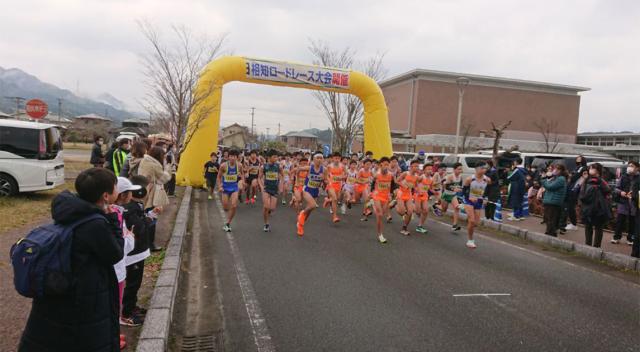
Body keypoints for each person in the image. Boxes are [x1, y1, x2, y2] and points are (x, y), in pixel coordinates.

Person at [18, 168, 123, 352]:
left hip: (60, 285)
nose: (118, 190)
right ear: (106, 196)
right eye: (116, 187)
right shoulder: (95, 224)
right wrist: (113, 218)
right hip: (82, 295)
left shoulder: (71, 209)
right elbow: (115, 254)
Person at [121, 175, 151, 328]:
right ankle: (126, 313)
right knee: (132, 283)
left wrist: (148, 217)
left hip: (138, 252)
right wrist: (147, 219)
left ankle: (131, 306)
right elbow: (138, 228)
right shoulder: (129, 209)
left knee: (136, 282)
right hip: (133, 254)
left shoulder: (135, 207)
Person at [113, 177, 139, 328]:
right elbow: (122, 245)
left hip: (117, 267)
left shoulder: (116, 211)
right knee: (115, 301)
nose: (132, 195)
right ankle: (114, 334)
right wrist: (130, 236)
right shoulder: (115, 214)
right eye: (130, 192)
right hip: (116, 268)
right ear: (123, 195)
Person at [139, 146, 171, 251]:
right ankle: (150, 244)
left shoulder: (144, 161)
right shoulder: (154, 165)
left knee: (145, 217)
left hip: (143, 191)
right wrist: (167, 168)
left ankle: (146, 243)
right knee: (152, 218)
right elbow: (163, 179)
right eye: (163, 156)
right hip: (152, 194)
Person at [579, 163, 611, 248]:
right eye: (590, 168)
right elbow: (581, 193)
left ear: (598, 170)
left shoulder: (601, 180)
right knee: (588, 227)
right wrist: (585, 179)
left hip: (599, 208)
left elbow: (607, 190)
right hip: (588, 207)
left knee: (598, 228)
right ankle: (588, 245)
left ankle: (596, 247)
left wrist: (598, 182)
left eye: (592, 168)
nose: (590, 170)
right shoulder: (586, 180)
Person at [461, 163, 490, 249]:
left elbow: (488, 190)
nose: (484, 170)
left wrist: (486, 198)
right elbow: (464, 191)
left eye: (485, 168)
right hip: (469, 201)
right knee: (472, 221)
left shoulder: (487, 179)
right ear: (476, 169)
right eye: (482, 168)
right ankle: (470, 240)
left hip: (479, 201)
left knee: (476, 223)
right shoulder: (469, 179)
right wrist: (469, 197)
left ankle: (469, 223)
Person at [297, 153, 325, 237]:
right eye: (318, 158)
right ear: (313, 159)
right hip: (307, 189)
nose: (319, 160)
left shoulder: (324, 169)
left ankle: (300, 226)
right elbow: (298, 169)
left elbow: (325, 180)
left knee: (309, 212)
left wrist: (324, 180)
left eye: (321, 158)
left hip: (315, 190)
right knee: (312, 205)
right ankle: (302, 213)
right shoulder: (309, 168)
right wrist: (297, 180)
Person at [612, 161, 639, 245]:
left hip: (634, 203)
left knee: (632, 222)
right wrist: (621, 192)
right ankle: (616, 237)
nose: (630, 167)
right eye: (629, 166)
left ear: (637, 168)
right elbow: (616, 188)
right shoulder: (623, 176)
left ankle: (630, 239)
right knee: (620, 221)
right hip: (623, 202)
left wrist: (635, 194)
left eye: (632, 166)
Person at [217, 149, 244, 232]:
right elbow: (219, 177)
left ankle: (228, 223)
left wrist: (242, 182)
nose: (232, 158)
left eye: (234, 156)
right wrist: (219, 186)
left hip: (234, 188)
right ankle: (228, 214)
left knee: (234, 205)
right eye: (231, 156)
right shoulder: (223, 166)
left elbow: (242, 174)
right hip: (225, 188)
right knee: (225, 207)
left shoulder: (239, 165)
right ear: (228, 157)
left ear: (237, 157)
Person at [371, 157, 394, 244]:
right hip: (377, 195)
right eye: (384, 165)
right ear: (381, 165)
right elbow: (372, 184)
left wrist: (391, 193)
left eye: (387, 165)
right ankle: (380, 234)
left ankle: (373, 206)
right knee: (380, 214)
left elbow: (392, 185)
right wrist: (371, 192)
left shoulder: (391, 175)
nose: (386, 166)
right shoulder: (377, 174)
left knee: (382, 214)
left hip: (386, 197)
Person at [259, 150, 283, 232]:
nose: (276, 158)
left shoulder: (278, 166)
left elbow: (282, 176)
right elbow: (259, 178)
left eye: (277, 156)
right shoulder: (264, 167)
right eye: (274, 157)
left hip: (274, 189)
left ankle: (267, 212)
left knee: (272, 208)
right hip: (266, 189)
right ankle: (266, 224)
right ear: (269, 158)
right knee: (266, 206)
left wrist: (281, 186)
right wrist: (262, 187)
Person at [541, 164, 568, 237]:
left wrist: (543, 179)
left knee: (551, 221)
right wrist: (548, 177)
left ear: (561, 171)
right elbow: (548, 184)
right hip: (550, 201)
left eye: (557, 169)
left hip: (553, 202)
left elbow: (550, 187)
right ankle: (549, 235)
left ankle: (551, 236)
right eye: (554, 169)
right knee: (549, 220)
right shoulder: (556, 178)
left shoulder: (561, 179)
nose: (555, 170)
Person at [564, 155, 589, 230]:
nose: (577, 159)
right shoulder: (577, 167)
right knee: (568, 207)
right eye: (577, 158)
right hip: (572, 188)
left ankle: (574, 224)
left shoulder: (582, 168)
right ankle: (572, 223)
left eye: (579, 158)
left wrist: (571, 176)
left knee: (571, 207)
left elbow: (574, 177)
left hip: (575, 189)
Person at [396, 160, 419, 235]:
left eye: (417, 166)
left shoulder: (416, 177)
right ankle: (396, 204)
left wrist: (418, 191)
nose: (417, 168)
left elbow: (415, 186)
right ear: (411, 167)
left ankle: (404, 228)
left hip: (408, 194)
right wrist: (403, 185)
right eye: (415, 166)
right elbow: (397, 181)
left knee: (410, 212)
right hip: (401, 193)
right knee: (402, 212)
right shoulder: (405, 173)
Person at [441, 162, 464, 231]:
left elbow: (460, 186)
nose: (460, 171)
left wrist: (460, 189)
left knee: (457, 208)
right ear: (454, 170)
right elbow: (446, 186)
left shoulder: (460, 177)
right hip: (446, 195)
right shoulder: (451, 176)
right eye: (459, 169)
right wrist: (454, 188)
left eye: (461, 169)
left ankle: (454, 225)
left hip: (453, 195)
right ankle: (436, 206)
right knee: (444, 210)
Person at [414, 162, 434, 234]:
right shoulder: (421, 177)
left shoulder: (431, 179)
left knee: (426, 211)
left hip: (425, 195)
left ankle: (420, 226)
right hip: (418, 195)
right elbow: (415, 184)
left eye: (431, 169)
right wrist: (417, 190)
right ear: (424, 170)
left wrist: (435, 192)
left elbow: (430, 188)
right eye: (428, 169)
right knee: (418, 211)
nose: (430, 170)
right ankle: (408, 210)